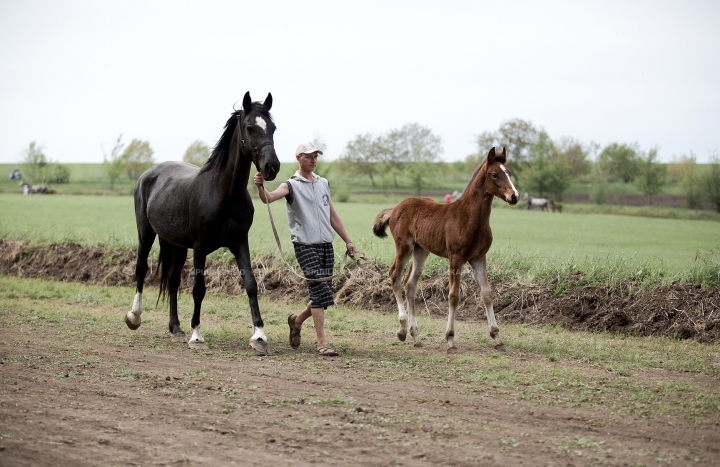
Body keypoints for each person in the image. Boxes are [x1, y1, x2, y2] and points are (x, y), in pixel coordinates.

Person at [253, 141, 356, 357]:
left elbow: (333, 216)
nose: (313, 160)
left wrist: (347, 240)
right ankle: (322, 342)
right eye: (309, 156)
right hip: (304, 245)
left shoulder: (323, 183)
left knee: (324, 294)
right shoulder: (290, 185)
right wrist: (260, 186)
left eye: (316, 156)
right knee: (319, 292)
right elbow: (269, 198)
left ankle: (296, 321)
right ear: (299, 158)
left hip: (326, 245)